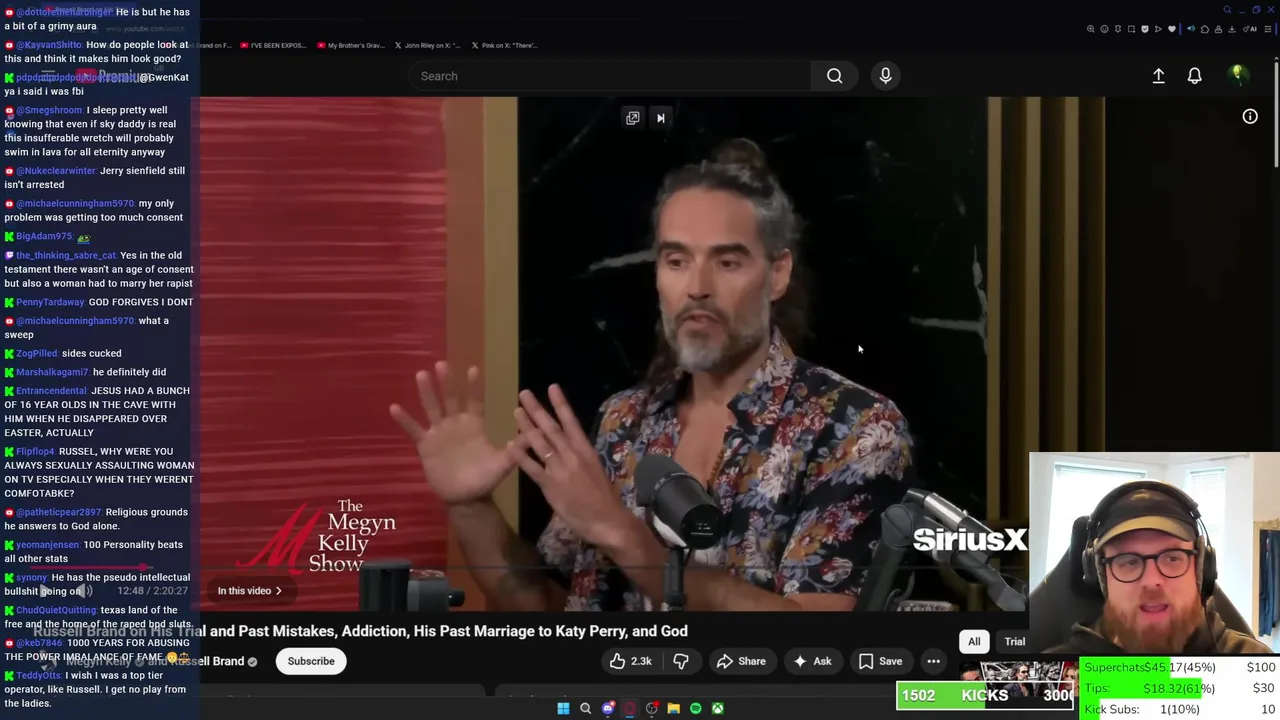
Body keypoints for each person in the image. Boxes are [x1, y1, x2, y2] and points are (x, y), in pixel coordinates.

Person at [390, 138, 915, 611]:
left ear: (777, 274)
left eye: (727, 262)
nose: (697, 287)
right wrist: (470, 508)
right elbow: (548, 612)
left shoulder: (855, 429)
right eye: (677, 261)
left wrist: (623, 536)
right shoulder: (623, 421)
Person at [1046, 484, 1270, 653]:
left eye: (1172, 558)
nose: (1151, 581)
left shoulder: (1255, 667)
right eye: (1128, 561)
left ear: (1202, 570)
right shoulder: (1054, 678)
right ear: (1100, 576)